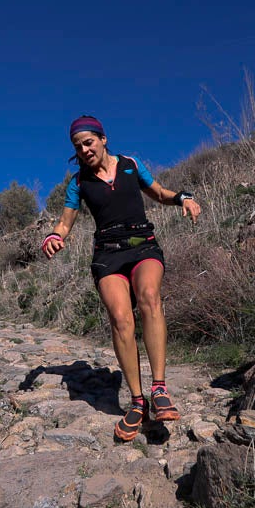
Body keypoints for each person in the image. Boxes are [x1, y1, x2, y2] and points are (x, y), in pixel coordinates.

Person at [42, 115, 202, 441]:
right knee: (120, 318)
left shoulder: (131, 164)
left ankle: (159, 388)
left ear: (103, 139)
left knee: (149, 298)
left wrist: (183, 198)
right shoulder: (79, 183)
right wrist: (54, 236)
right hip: (108, 254)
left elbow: (158, 192)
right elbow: (65, 223)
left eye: (89, 142)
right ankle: (137, 401)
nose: (84, 150)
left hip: (143, 245)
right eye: (78, 147)